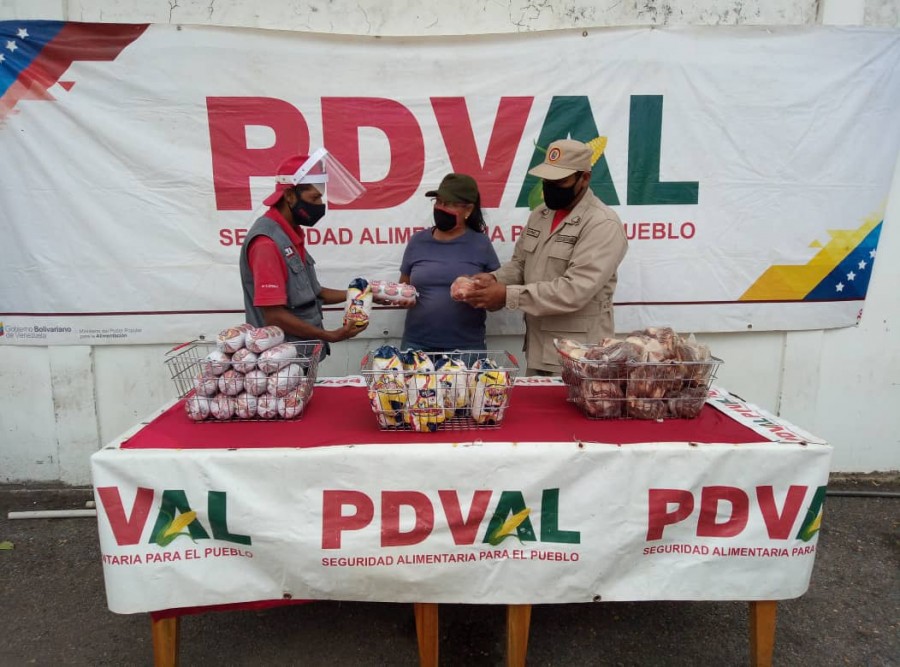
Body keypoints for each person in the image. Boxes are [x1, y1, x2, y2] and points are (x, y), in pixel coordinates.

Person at [464, 139, 628, 374]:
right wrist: (494, 280)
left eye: (559, 182)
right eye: (546, 180)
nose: (550, 187)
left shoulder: (602, 223)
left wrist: (507, 295)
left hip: (581, 357)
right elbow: (521, 264)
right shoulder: (541, 214)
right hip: (538, 349)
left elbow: (575, 291)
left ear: (584, 178)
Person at [239, 153, 367, 354]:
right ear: (290, 195)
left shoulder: (290, 234)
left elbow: (314, 293)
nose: (320, 204)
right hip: (280, 362)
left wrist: (364, 294)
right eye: (314, 197)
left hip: (302, 356)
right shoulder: (267, 243)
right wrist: (330, 335)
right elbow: (274, 316)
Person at [398, 173, 500, 352]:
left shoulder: (481, 244)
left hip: (466, 348)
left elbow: (496, 299)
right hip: (417, 345)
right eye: (439, 202)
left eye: (450, 204)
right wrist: (402, 297)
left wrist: (476, 293)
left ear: (468, 210)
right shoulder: (418, 241)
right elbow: (404, 286)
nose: (441, 208)